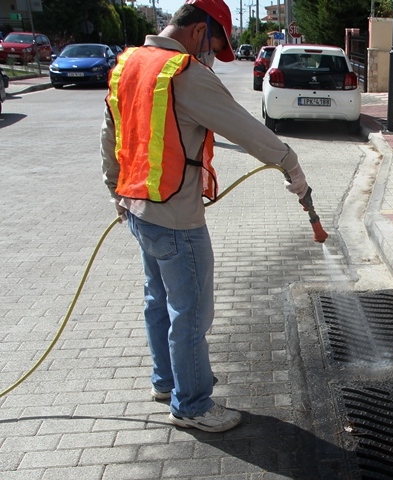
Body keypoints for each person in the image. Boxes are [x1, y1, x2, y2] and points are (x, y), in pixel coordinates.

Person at [100, 0, 309, 433]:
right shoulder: (185, 74)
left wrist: (115, 191)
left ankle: (168, 382)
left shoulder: (129, 64)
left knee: (158, 303)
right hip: (177, 218)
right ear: (199, 31)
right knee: (191, 315)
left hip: (138, 207)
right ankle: (192, 405)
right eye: (214, 44)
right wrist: (291, 165)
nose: (211, 55)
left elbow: (111, 135)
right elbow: (247, 130)